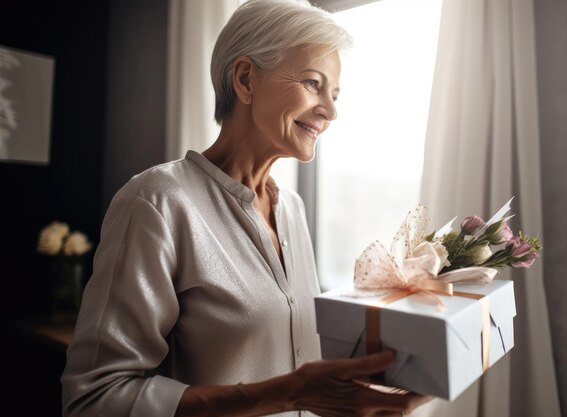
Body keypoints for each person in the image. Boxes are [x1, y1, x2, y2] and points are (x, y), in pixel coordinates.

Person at [61, 1, 431, 416]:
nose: (330, 110)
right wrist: (287, 394)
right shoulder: (157, 201)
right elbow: (93, 400)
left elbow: (296, 370)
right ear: (245, 79)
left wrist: (363, 384)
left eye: (335, 93)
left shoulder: (292, 208)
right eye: (313, 83)